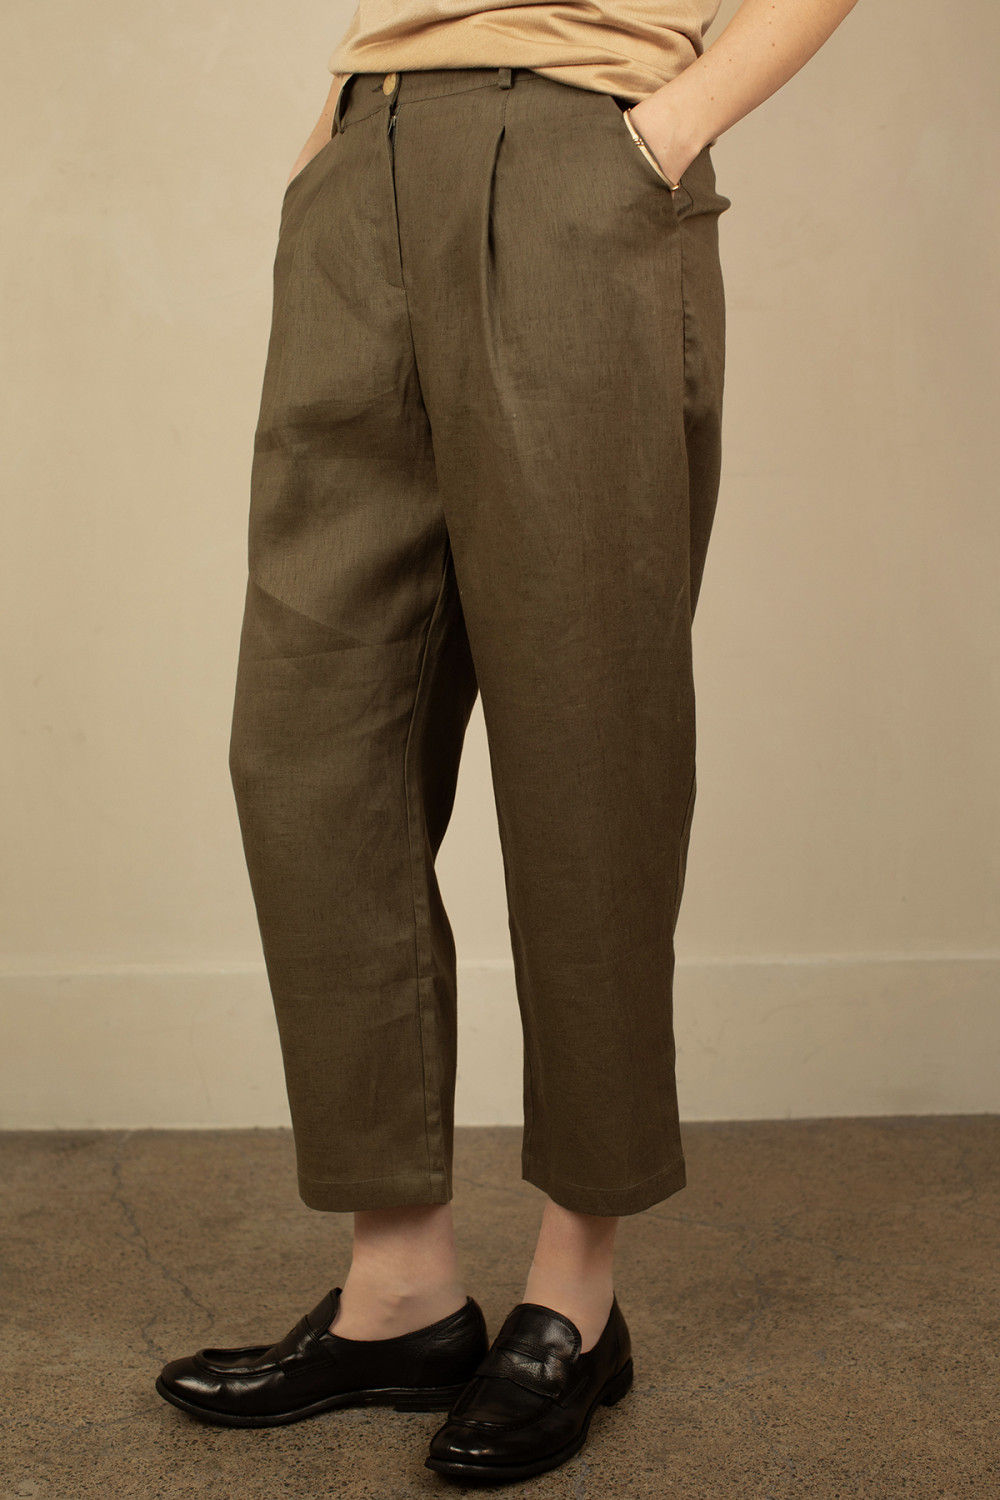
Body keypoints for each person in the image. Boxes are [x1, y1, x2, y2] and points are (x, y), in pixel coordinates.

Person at [156, 0, 861, 1483]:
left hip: (580, 156)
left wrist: (662, 129)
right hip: (365, 161)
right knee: (312, 743)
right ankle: (400, 1293)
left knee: (585, 735)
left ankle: (575, 1295)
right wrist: (334, 136)